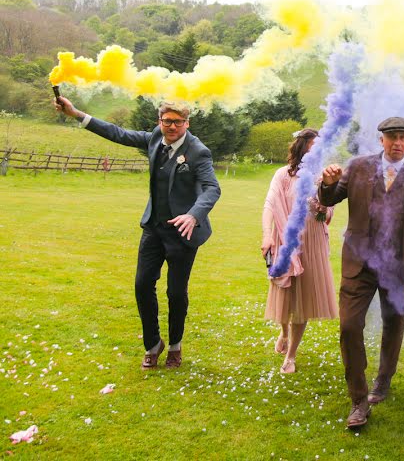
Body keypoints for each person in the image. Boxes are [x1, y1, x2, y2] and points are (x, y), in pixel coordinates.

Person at [54, 97, 221, 370]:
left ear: (186, 123)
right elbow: (118, 134)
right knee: (142, 285)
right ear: (160, 122)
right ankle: (153, 344)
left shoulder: (198, 151)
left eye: (178, 122)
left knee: (176, 293)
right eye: (167, 121)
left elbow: (212, 188)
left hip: (183, 232)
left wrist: (193, 215)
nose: (171, 127)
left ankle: (176, 346)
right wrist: (76, 114)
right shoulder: (155, 137)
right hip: (154, 229)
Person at [318, 117, 404, 429]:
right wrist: (328, 182)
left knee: (393, 323)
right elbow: (328, 199)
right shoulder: (357, 166)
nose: (397, 142)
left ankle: (383, 380)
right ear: (381, 139)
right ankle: (358, 400)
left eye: (403, 137)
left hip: (399, 265)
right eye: (391, 137)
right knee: (349, 327)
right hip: (359, 262)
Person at [261, 128, 338, 374]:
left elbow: (327, 214)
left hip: (312, 240)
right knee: (285, 291)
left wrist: (320, 206)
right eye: (313, 146)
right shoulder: (283, 175)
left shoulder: (322, 177)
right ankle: (283, 333)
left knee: (303, 298)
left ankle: (291, 355)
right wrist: (266, 235)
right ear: (302, 147)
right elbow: (270, 205)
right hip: (285, 238)